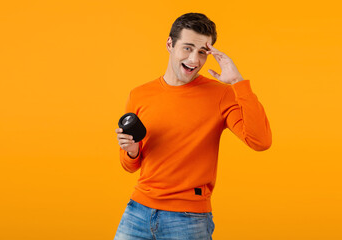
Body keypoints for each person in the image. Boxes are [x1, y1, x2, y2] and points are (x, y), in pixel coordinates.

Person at [114, 12, 272, 240]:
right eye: (187, 48)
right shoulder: (139, 95)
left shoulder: (221, 94)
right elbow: (130, 166)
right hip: (137, 211)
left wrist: (238, 83)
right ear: (170, 44)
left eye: (202, 52)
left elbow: (261, 141)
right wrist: (132, 150)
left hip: (188, 219)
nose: (195, 60)